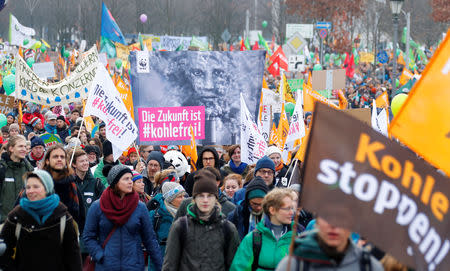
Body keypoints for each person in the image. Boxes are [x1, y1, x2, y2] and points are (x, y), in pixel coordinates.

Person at [83, 164, 163, 271]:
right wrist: (100, 255)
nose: (131, 181)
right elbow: (88, 237)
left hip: (133, 266)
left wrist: (160, 266)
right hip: (106, 266)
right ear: (115, 182)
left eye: (130, 178)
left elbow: (150, 239)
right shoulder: (98, 206)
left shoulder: (139, 207)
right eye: (126, 179)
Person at [0, 170, 82, 270]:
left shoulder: (62, 215)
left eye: (36, 187)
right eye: (28, 187)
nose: (30, 191)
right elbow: (4, 251)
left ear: (47, 188)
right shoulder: (17, 215)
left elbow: (73, 256)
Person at [162, 170, 240, 271]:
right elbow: (169, 265)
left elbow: (234, 265)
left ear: (216, 198)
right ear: (194, 198)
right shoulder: (180, 227)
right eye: (201, 195)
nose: (205, 200)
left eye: (210, 195)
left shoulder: (227, 228)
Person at [275, 217, 384, 271]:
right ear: (316, 222)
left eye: (341, 218)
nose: (333, 225)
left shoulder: (369, 266)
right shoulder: (294, 264)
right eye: (327, 217)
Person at [230, 188, 295, 271]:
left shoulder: (298, 238)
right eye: (287, 208)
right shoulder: (253, 239)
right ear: (272, 210)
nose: (292, 212)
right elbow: (239, 268)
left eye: (292, 208)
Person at [43, 144, 85, 231]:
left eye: (62, 157)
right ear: (47, 161)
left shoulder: (71, 183)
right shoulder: (39, 182)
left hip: (68, 232)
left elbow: (80, 212)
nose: (59, 159)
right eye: (55, 157)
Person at [148, 182, 186, 266]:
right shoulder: (156, 214)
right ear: (170, 199)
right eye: (180, 197)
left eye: (184, 196)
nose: (183, 199)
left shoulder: (186, 212)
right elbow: (149, 240)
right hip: (161, 260)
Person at [0, 135, 34, 223]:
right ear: (11, 148)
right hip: (3, 221)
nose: (24, 149)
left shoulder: (29, 169)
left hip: (23, 222)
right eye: (20, 146)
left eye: (25, 147)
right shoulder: (2, 168)